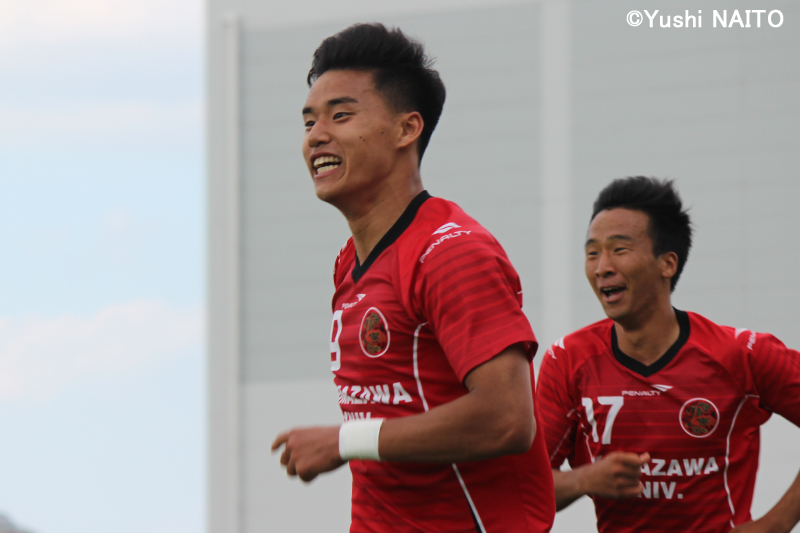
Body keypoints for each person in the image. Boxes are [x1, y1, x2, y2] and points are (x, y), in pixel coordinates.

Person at [270, 23, 555, 532]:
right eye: (309, 121)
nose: (316, 135)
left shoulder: (451, 253)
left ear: (407, 130)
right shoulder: (349, 261)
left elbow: (507, 419)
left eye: (340, 115)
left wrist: (344, 441)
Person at [536, 176, 800, 532]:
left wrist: (776, 523)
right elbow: (522, 487)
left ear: (668, 264)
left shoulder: (742, 354)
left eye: (619, 249)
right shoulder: (567, 360)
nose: (602, 267)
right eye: (592, 253)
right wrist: (584, 479)